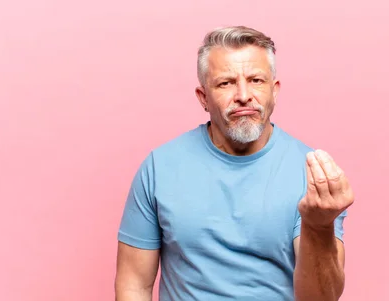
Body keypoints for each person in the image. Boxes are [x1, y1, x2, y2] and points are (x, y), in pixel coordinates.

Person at [114, 25, 354, 301]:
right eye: (226, 83)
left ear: (274, 91)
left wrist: (319, 226)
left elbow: (321, 298)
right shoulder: (159, 167)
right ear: (203, 97)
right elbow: (134, 284)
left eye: (256, 80)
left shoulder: (311, 173)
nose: (243, 95)